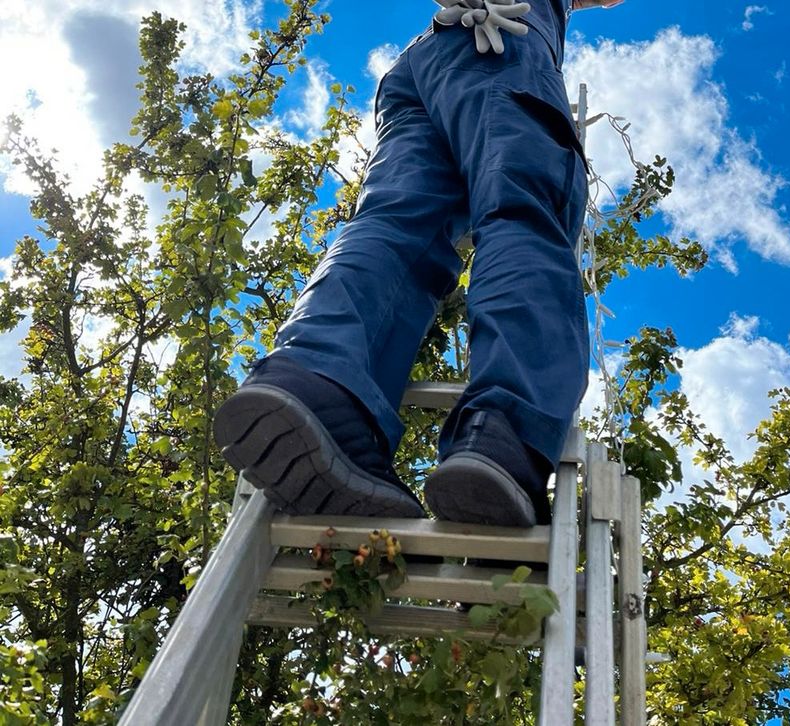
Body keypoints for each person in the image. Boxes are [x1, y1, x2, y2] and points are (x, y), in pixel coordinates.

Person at [213, 0, 625, 528]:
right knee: (523, 209)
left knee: (395, 221)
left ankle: (320, 380)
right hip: (499, 43)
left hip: (423, 63)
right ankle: (504, 428)